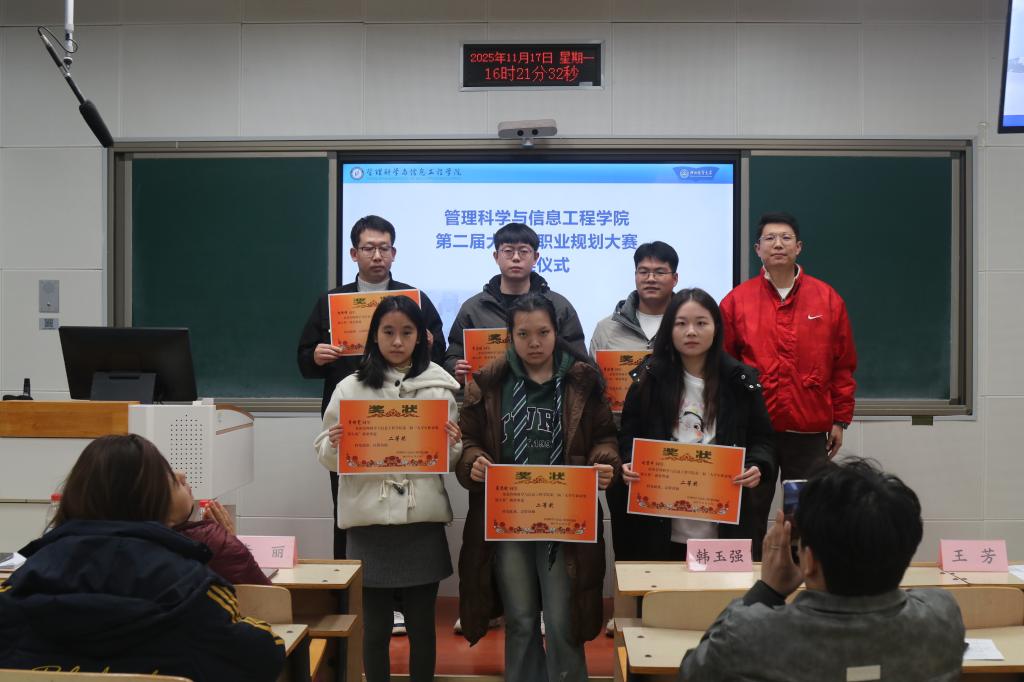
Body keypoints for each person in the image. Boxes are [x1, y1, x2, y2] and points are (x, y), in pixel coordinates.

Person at [0, 434, 285, 681]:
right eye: (169, 479)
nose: (182, 477)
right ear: (157, 501)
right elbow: (263, 656)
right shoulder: (192, 587)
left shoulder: (20, 584)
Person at [456, 293, 620, 682]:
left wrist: (604, 463)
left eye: (543, 332)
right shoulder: (488, 382)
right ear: (510, 336)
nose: (534, 342)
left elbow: (605, 437)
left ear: (556, 332)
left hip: (566, 519)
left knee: (563, 619)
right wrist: (472, 461)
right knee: (520, 618)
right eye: (523, 334)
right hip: (508, 518)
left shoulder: (582, 381)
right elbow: (467, 440)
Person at [679, 459, 965, 682]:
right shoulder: (942, 618)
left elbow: (693, 673)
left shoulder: (748, 635)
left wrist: (767, 590)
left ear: (809, 560)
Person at [297, 215, 447, 632]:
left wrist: (431, 344)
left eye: (384, 248)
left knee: (407, 509)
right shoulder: (332, 301)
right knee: (348, 508)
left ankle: (400, 602)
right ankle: (352, 597)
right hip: (354, 425)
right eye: (368, 248)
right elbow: (303, 358)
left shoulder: (414, 299)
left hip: (408, 423)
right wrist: (317, 355)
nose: (377, 255)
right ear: (354, 253)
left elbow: (439, 352)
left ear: (394, 253)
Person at [314, 295, 462, 682]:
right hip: (368, 525)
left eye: (407, 332)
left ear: (422, 338)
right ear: (374, 336)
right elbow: (325, 455)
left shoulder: (439, 389)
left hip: (421, 523)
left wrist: (453, 444)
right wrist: (335, 443)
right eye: (389, 332)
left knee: (423, 627)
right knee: (375, 628)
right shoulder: (349, 388)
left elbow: (449, 460)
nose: (397, 341)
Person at [720, 211, 857, 551]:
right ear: (757, 249)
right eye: (769, 238)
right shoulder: (737, 301)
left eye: (785, 238)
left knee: (806, 517)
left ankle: (802, 580)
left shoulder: (827, 299)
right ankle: (749, 580)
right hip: (754, 431)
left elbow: (842, 365)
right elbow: (723, 367)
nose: (778, 244)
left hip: (807, 431)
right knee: (747, 515)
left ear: (799, 247)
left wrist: (840, 419)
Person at [612, 288, 775, 562]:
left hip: (723, 522)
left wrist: (757, 465)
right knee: (663, 588)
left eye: (701, 323)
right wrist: (628, 461)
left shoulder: (740, 382)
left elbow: (764, 440)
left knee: (719, 589)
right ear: (669, 329)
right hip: (661, 523)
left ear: (716, 328)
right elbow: (628, 435)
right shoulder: (648, 380)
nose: (691, 332)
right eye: (681, 323)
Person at [445, 222, 586, 383]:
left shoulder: (558, 306)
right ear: (496, 257)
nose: (516, 258)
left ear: (535, 257)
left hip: (545, 393)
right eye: (508, 251)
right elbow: (452, 355)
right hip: (488, 394)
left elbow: (579, 358)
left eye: (524, 251)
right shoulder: (474, 308)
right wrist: (456, 368)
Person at [170, 476, 271, 586]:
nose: (182, 475)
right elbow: (266, 591)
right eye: (168, 474)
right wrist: (229, 541)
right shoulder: (213, 539)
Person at [589, 241, 679, 354]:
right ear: (635, 275)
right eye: (643, 272)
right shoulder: (606, 329)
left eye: (660, 272)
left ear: (675, 279)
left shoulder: (688, 327)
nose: (651, 279)